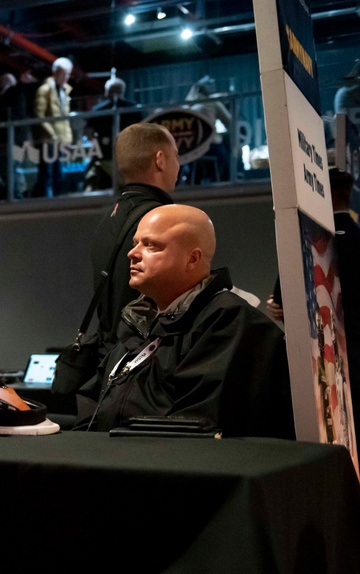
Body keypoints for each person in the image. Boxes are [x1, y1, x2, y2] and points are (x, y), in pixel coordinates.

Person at [78, 204, 294, 438]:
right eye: (135, 243)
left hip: (166, 467)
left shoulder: (228, 321)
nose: (133, 253)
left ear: (192, 259)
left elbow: (197, 423)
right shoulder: (140, 322)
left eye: (151, 245)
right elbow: (93, 400)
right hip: (113, 461)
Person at [90, 122, 180, 360]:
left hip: (108, 361)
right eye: (175, 156)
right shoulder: (164, 219)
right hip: (146, 361)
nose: (178, 166)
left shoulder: (108, 219)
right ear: (160, 160)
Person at [83, 76, 144, 191]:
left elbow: (89, 132)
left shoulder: (98, 110)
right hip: (129, 158)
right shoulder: (134, 109)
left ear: (107, 92)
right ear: (123, 91)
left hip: (104, 158)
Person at [32, 57, 73, 197]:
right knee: (47, 173)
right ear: (56, 72)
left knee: (58, 173)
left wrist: (66, 139)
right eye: (65, 73)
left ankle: (57, 201)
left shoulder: (64, 91)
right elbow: (40, 115)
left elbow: (64, 119)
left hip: (58, 141)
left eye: (68, 73)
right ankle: (46, 203)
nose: (67, 77)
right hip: (48, 140)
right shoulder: (45, 90)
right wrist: (53, 135)